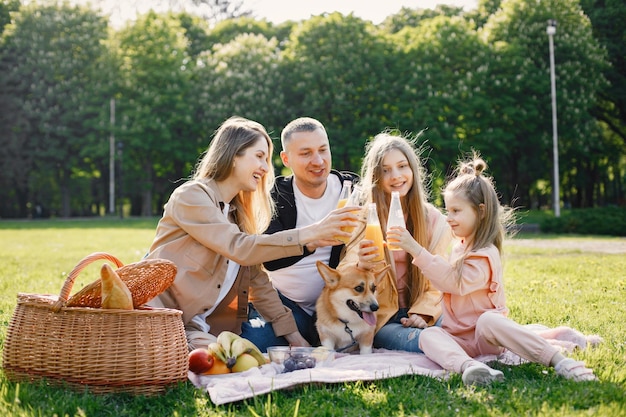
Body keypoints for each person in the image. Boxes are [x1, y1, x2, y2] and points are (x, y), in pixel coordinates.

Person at [144, 116, 359, 352]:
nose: (266, 168)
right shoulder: (192, 196)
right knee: (235, 357)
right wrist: (310, 234)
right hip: (160, 321)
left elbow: (258, 281)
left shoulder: (237, 216)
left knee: (243, 357)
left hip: (197, 330)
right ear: (234, 155)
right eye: (259, 157)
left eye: (266, 159)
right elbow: (240, 248)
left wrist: (294, 337)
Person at [386, 154, 597, 385]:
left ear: (481, 211)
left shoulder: (485, 254)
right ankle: (469, 366)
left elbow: (454, 283)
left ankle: (558, 361)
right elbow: (442, 281)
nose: (449, 218)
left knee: (489, 320)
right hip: (460, 339)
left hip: (484, 336)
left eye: (456, 211)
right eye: (448, 211)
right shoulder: (460, 247)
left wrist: (415, 248)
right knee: (429, 335)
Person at [338, 132, 453, 353]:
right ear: (376, 178)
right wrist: (360, 266)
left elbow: (440, 279)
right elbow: (341, 277)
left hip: (422, 312)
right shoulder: (365, 220)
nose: (396, 176)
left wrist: (423, 313)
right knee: (421, 341)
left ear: (413, 170)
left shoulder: (433, 220)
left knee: (456, 330)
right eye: (385, 170)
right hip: (382, 318)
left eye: (402, 166)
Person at [259, 117, 359, 346]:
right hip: (286, 304)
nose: (318, 160)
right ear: (286, 158)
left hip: (337, 304)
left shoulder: (351, 189)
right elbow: (269, 260)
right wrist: (312, 240)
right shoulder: (274, 196)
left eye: (323, 150)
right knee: (257, 342)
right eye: (306, 153)